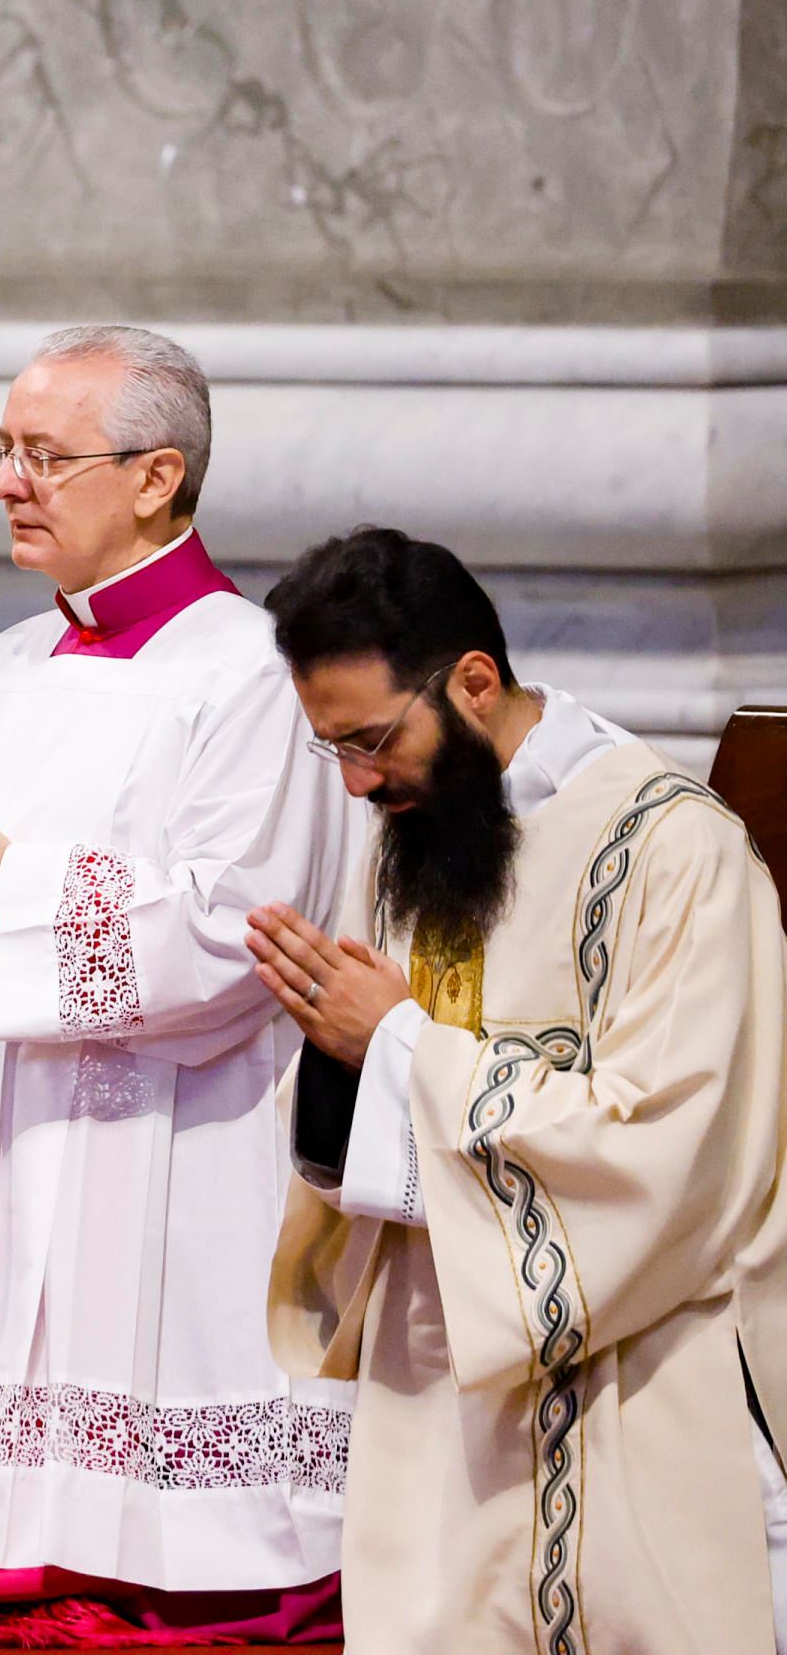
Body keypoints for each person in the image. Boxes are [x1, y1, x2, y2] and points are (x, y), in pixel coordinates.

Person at [0, 326, 358, 1643]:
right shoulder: (7, 671)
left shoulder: (252, 673)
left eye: (43, 457)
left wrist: (4, 882)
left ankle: (182, 1557)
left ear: (157, 476)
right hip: (7, 1103)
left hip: (173, 1125)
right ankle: (5, 1542)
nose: (6, 482)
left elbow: (243, 930)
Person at [254, 528, 787, 1653]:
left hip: (637, 1382)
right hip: (437, 1379)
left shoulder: (675, 851)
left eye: (371, 738)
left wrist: (396, 1043)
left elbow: (674, 1147)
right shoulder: (424, 834)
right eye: (331, 749)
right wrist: (339, 1061)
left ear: (476, 681)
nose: (355, 779)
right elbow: (380, 1104)